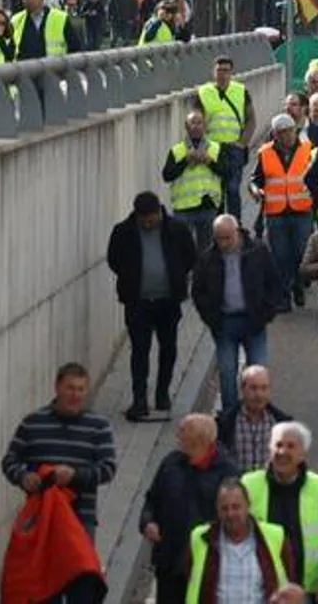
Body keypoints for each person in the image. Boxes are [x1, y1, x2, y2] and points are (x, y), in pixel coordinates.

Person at [106, 191, 197, 420]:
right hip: (138, 302)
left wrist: (175, 277)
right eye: (143, 219)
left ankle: (162, 393)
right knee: (139, 351)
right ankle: (139, 400)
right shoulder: (123, 232)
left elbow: (189, 257)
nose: (148, 223)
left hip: (168, 300)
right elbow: (114, 260)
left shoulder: (176, 229)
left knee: (168, 348)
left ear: (159, 212)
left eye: (151, 218)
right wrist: (131, 278)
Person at [1, 362, 117, 539]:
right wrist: (23, 477)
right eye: (69, 388)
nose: (75, 395)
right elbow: (9, 461)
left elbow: (108, 469)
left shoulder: (99, 426)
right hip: (39, 516)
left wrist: (75, 476)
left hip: (80, 519)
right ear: (57, 387)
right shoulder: (32, 423)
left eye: (81, 389)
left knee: (79, 567)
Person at [140, 414, 240, 604]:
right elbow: (152, 499)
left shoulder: (228, 473)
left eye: (183, 431)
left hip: (207, 566)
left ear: (200, 439)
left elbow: (234, 519)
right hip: (169, 562)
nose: (178, 435)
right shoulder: (171, 463)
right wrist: (148, 522)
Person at [241, 422, 318, 601]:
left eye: (291, 446)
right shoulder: (248, 485)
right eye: (278, 445)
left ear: (303, 454)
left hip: (307, 593)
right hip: (259, 591)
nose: (282, 452)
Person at [192, 214, 282, 410]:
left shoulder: (257, 251)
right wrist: (211, 318)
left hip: (254, 321)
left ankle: (257, 413)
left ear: (237, 233)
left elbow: (274, 282)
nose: (224, 243)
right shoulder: (208, 258)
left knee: (257, 371)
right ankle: (230, 416)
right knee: (227, 371)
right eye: (219, 238)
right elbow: (198, 291)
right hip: (225, 322)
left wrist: (267, 312)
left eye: (228, 238)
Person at [184, 479, 292, 602]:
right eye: (224, 508)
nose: (230, 514)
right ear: (217, 510)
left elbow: (289, 579)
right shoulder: (200, 538)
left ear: (248, 506)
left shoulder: (275, 536)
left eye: (236, 507)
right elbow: (190, 579)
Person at [249, 113, 316, 311]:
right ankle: (283, 296)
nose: (286, 136)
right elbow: (255, 179)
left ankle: (297, 285)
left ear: (295, 131)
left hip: (302, 210)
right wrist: (256, 190)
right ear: (275, 135)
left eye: (289, 131)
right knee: (280, 255)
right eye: (281, 133)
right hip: (276, 212)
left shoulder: (308, 149)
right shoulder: (265, 153)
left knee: (300, 252)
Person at [196, 56, 257, 220]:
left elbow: (251, 119)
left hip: (233, 149)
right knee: (216, 193)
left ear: (232, 73)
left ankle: (236, 226)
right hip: (212, 149)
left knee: (233, 189)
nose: (222, 75)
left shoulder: (241, 91)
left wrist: (242, 143)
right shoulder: (204, 92)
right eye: (219, 70)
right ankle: (219, 229)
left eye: (226, 71)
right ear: (213, 72)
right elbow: (195, 121)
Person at [163, 111, 225, 252]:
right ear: (186, 126)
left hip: (207, 205)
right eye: (193, 123)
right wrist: (185, 161)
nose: (196, 126)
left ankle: (202, 274)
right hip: (183, 208)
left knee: (206, 251)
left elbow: (226, 171)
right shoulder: (177, 150)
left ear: (205, 126)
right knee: (181, 249)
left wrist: (209, 161)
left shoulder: (215, 148)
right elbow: (167, 175)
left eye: (199, 123)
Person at [216, 365, 293, 473]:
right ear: (242, 389)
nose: (259, 395)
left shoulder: (281, 423)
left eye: (264, 388)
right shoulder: (225, 423)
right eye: (253, 388)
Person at [11, 0, 83, 59]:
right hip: (25, 70)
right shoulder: (16, 20)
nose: (26, 1)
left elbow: (75, 48)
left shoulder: (60, 18)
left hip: (54, 69)